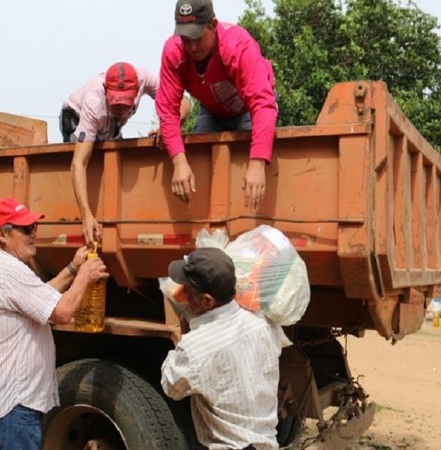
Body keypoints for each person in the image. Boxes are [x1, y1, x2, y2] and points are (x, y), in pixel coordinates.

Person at [0, 197, 109, 450]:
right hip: (13, 409)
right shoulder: (7, 272)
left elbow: (39, 298)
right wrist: (85, 276)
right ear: (3, 234)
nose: (33, 234)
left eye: (34, 227)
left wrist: (72, 269)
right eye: (25, 229)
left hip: (9, 407)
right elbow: (62, 312)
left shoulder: (4, 269)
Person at [156, 0, 278, 212]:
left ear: (212, 25)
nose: (192, 47)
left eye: (197, 38)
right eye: (185, 39)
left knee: (249, 175)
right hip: (211, 109)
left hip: (247, 111)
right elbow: (167, 110)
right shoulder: (173, 52)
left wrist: (258, 165)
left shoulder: (237, 45)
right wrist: (179, 163)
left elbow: (263, 104)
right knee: (199, 166)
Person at [161, 247, 283, 450]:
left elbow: (171, 387)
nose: (183, 295)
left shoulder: (195, 347)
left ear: (207, 300)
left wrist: (180, 341)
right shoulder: (262, 326)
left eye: (188, 291)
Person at [62, 62, 190, 245]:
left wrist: (169, 126)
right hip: (74, 115)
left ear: (137, 89)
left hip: (110, 126)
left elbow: (184, 103)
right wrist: (86, 216)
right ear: (106, 90)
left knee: (114, 159)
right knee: (93, 163)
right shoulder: (93, 105)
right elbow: (79, 164)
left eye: (125, 105)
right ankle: (86, 218)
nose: (122, 111)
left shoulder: (145, 78)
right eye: (116, 105)